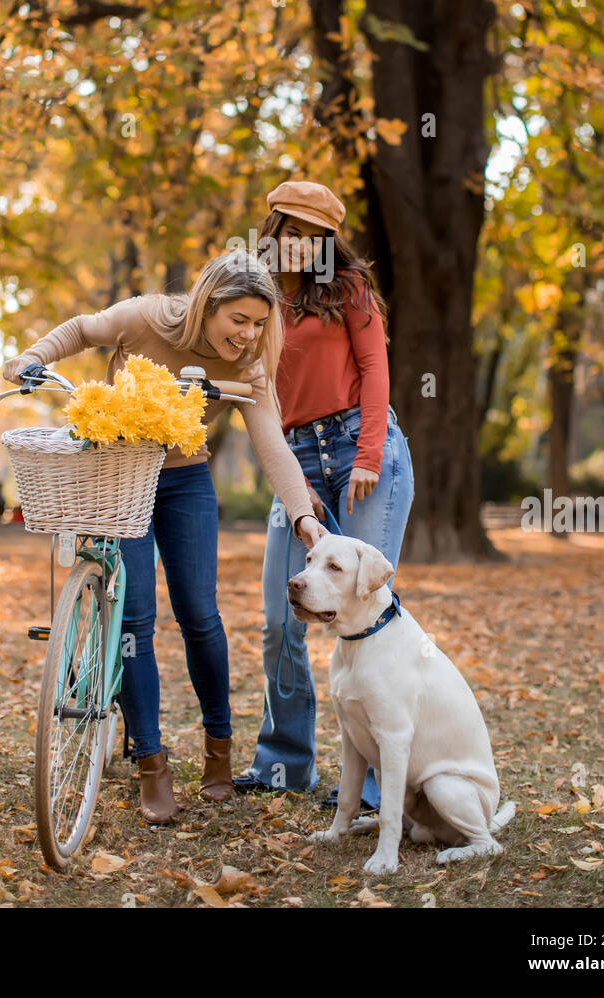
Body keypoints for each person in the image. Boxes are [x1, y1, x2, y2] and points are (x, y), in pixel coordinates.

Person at [1, 250, 329, 824]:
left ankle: (218, 750)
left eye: (259, 324)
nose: (249, 335)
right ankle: (152, 763)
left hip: (185, 482)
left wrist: (302, 515)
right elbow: (83, 329)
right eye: (238, 321)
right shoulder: (147, 317)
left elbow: (272, 445)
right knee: (134, 620)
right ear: (207, 306)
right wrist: (32, 356)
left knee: (200, 613)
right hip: (118, 475)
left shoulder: (250, 367)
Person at [233, 181, 414, 809]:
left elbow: (375, 372)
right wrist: (292, 481)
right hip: (297, 460)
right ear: (274, 228)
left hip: (365, 453)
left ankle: (368, 784)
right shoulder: (254, 299)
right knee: (283, 616)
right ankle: (285, 764)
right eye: (292, 231)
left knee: (364, 607)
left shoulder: (348, 289)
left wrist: (366, 456)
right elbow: (256, 395)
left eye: (315, 236)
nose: (300, 245)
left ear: (327, 242)